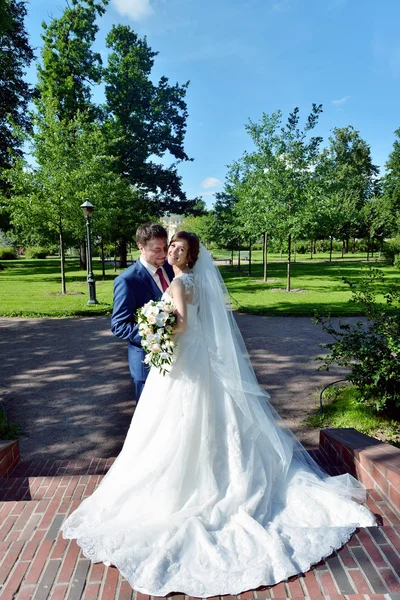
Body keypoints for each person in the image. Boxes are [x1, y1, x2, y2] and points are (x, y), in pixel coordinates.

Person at [62, 231, 376, 597]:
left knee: (182, 422)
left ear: (190, 256)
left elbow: (180, 324)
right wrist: (154, 327)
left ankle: (193, 483)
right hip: (186, 360)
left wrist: (155, 325)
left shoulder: (180, 281)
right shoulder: (177, 279)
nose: (170, 251)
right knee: (178, 423)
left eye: (178, 248)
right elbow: (169, 323)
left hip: (183, 361)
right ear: (146, 249)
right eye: (168, 247)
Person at [111, 222, 174, 400]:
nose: (163, 254)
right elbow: (119, 326)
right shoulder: (127, 280)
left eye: (165, 247)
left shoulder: (172, 269)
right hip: (147, 363)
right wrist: (155, 334)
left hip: (179, 360)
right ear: (141, 248)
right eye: (156, 249)